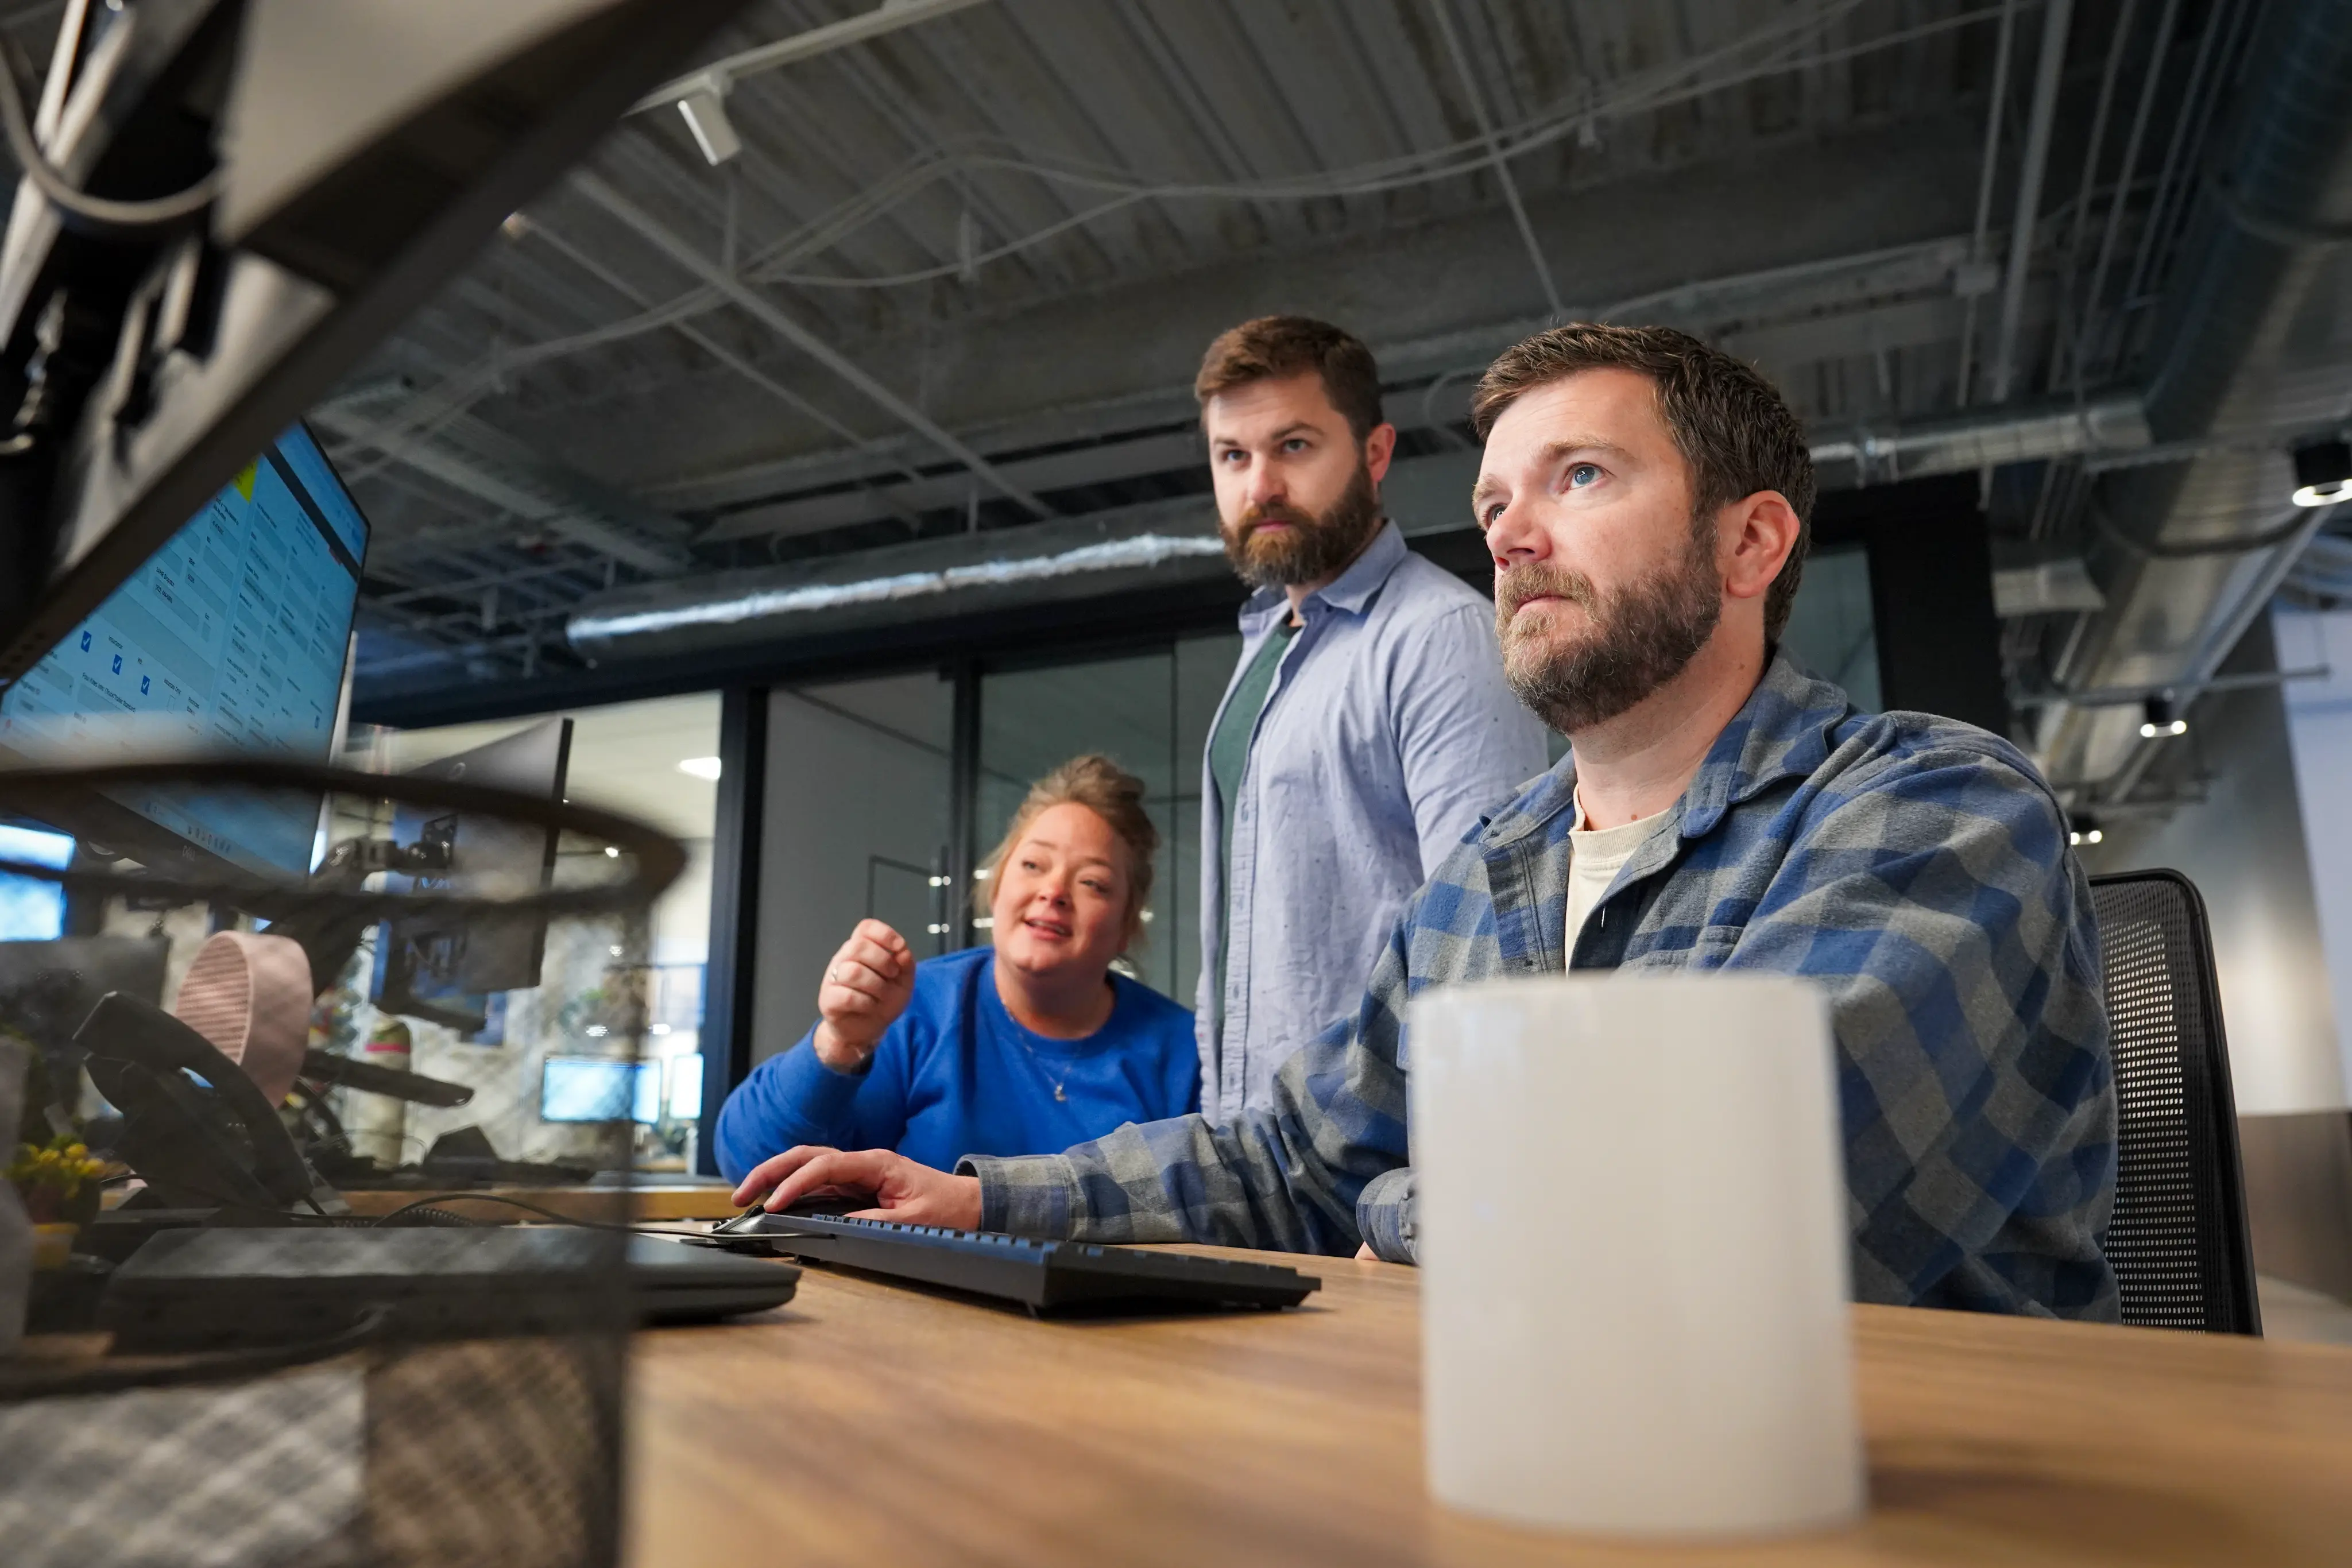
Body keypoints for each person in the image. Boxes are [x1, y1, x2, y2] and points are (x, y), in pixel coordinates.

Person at [729, 324, 2119, 1322]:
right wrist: (974, 1199)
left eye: (1580, 478)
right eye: (1496, 502)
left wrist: (1393, 1208)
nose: (1510, 536)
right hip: (1542, 1454)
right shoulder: (1491, 879)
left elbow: (1716, 1236)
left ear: (1750, 543)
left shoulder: (1930, 807)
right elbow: (1287, 1157)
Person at [1185, 316, 1546, 1125]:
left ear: (1376, 454)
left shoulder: (1440, 636)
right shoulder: (1266, 646)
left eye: (1295, 446)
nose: (1260, 486)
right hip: (1248, 1155)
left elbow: (1488, 955)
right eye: (1233, 456)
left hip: (1370, 1170)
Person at [712, 755, 1197, 1178]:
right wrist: (838, 1043)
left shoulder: (1181, 1052)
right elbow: (751, 1162)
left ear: (1127, 924)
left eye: (1093, 882)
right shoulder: (917, 1007)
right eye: (1033, 865)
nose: (1053, 891)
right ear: (997, 885)